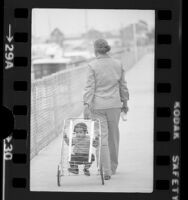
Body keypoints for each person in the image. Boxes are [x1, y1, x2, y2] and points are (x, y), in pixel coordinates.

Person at [83, 38, 129, 180]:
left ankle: (105, 170)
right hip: (115, 105)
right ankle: (113, 167)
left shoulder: (92, 65)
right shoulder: (118, 64)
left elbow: (90, 88)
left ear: (95, 49)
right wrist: (125, 103)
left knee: (102, 137)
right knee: (113, 136)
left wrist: (86, 105)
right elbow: (123, 86)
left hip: (97, 106)